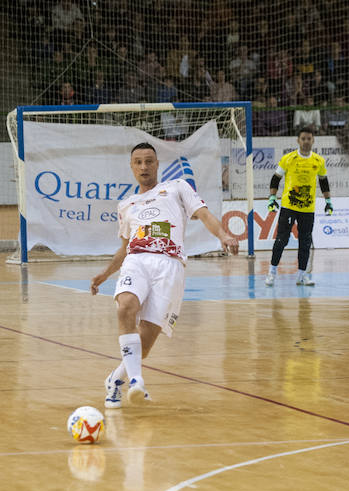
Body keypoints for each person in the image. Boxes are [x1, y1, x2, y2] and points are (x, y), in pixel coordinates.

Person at [90, 143, 239, 408]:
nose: (144, 167)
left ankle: (115, 379)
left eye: (149, 161)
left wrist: (223, 235)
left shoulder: (177, 187)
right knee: (125, 307)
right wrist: (104, 274)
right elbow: (124, 248)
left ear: (158, 164)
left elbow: (203, 215)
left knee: (143, 346)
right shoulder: (126, 205)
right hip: (136, 261)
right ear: (132, 167)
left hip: (170, 265)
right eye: (138, 162)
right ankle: (137, 381)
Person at [264, 125, 332, 287]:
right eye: (303, 139)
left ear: (313, 140)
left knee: (305, 242)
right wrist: (272, 198)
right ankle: (271, 273)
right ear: (298, 140)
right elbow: (276, 178)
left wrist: (328, 201)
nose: (306, 141)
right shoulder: (288, 158)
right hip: (289, 206)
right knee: (281, 240)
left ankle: (302, 276)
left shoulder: (318, 161)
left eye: (309, 139)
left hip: (307, 209)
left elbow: (323, 181)